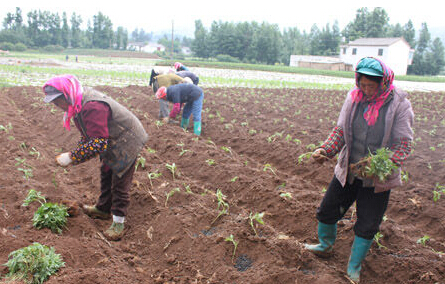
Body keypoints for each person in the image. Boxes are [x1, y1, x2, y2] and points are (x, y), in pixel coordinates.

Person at [305, 57, 414, 283]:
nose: (366, 90)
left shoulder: (399, 104)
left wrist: (378, 167)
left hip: (377, 179)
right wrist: (325, 150)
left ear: (383, 83)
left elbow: (403, 143)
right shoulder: (353, 98)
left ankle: (354, 266)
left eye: (371, 86)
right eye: (362, 85)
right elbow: (340, 131)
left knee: (367, 223)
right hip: (349, 170)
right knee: (327, 211)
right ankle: (325, 246)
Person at [42, 75, 148, 241]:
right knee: (106, 171)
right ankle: (103, 209)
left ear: (67, 94)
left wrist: (72, 157)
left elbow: (98, 142)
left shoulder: (93, 106)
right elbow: (89, 136)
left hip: (127, 138)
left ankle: (118, 222)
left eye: (57, 101)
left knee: (120, 179)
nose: (56, 105)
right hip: (111, 139)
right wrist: (75, 154)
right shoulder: (76, 105)